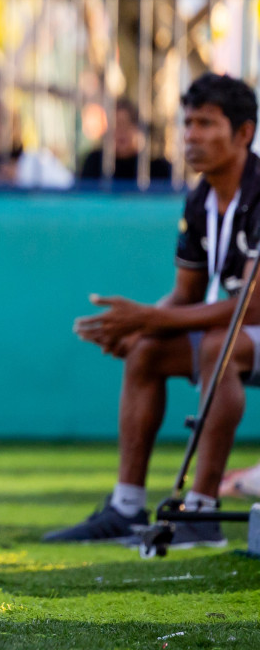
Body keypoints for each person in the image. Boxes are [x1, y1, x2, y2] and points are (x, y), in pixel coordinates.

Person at [48, 73, 260, 550]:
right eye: (188, 123)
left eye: (206, 123)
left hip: (246, 329)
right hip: (240, 332)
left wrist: (149, 317)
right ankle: (126, 507)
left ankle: (201, 513)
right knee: (146, 351)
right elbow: (186, 293)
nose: (191, 135)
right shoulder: (201, 198)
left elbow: (251, 307)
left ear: (244, 133)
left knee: (218, 346)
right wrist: (138, 326)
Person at [79, 98, 174, 184]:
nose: (121, 131)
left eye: (126, 124)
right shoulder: (94, 163)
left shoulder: (157, 168)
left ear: (138, 129)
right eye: (116, 125)